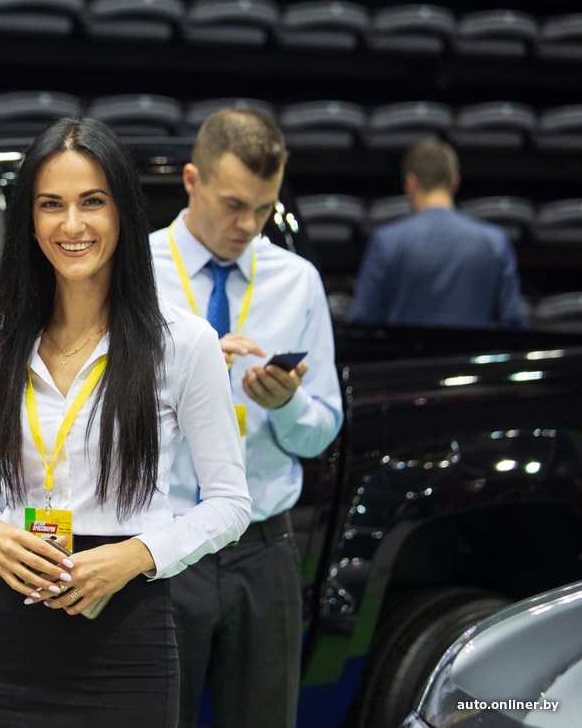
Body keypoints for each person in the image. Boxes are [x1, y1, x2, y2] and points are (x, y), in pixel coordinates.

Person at [0, 117, 251, 727]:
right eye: (51, 205)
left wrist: (136, 555)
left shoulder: (183, 342)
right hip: (12, 634)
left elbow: (230, 502)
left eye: (92, 201)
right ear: (29, 220)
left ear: (123, 213)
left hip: (127, 634)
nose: (72, 225)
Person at [149, 108, 344, 728]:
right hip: (161, 544)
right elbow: (91, 418)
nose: (247, 225)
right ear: (192, 180)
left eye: (263, 208)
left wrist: (287, 405)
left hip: (262, 547)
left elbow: (321, 431)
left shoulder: (297, 281)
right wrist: (186, 364)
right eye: (233, 205)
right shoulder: (131, 272)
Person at [346, 138, 529, 328]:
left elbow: (363, 322)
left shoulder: (386, 241)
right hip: (470, 348)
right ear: (455, 182)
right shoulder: (495, 242)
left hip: (406, 349)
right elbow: (513, 322)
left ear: (410, 182)